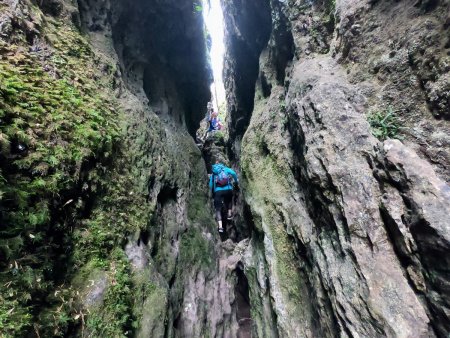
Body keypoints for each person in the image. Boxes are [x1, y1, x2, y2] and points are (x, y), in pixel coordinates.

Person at [209, 161, 238, 233]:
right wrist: (236, 181)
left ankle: (220, 227)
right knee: (229, 201)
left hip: (218, 191)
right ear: (221, 165)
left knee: (218, 209)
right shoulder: (225, 169)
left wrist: (213, 192)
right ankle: (229, 214)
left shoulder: (214, 173)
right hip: (228, 189)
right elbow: (233, 173)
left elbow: (210, 185)